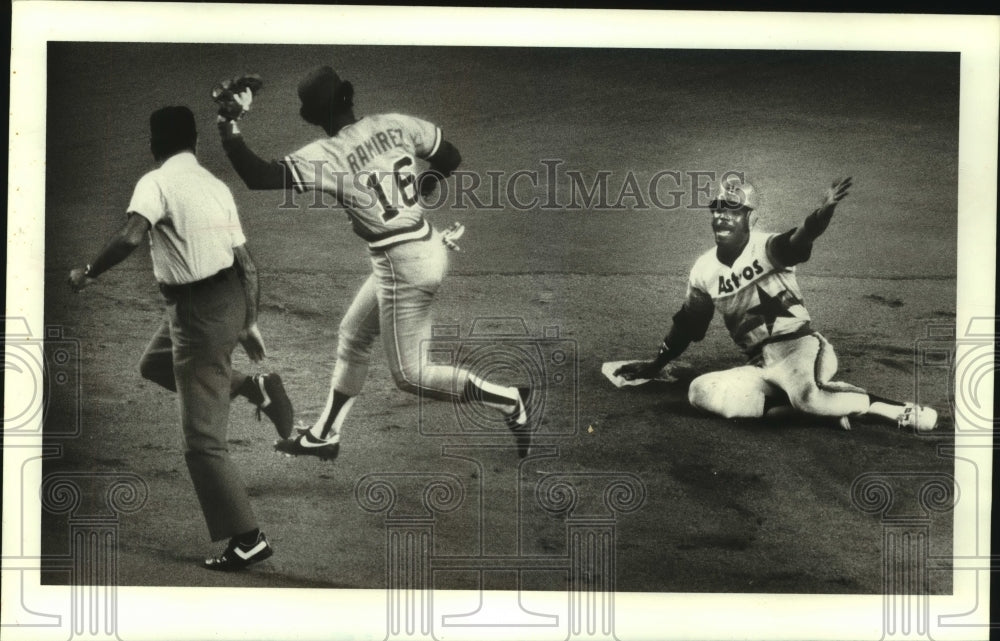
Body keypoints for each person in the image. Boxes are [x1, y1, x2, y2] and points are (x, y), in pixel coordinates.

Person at [215, 65, 532, 461]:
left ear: (313, 116)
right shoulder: (395, 124)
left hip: (405, 268)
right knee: (353, 334)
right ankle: (325, 434)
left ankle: (508, 398)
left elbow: (258, 176)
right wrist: (421, 190)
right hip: (421, 245)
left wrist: (228, 123)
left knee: (411, 375)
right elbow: (450, 156)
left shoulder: (326, 155)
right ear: (348, 98)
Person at [68, 106, 292, 571]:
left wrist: (89, 272)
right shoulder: (215, 185)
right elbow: (248, 265)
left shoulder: (156, 181)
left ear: (154, 145)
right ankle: (253, 387)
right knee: (153, 364)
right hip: (226, 300)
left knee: (202, 441)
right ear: (194, 142)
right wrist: (248, 322)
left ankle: (247, 538)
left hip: (197, 316)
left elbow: (132, 236)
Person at [615, 174, 938, 432]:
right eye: (716, 208)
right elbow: (688, 324)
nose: (721, 216)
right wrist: (656, 365)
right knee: (701, 392)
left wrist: (824, 211)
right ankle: (809, 411)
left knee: (809, 398)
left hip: (801, 349)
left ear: (750, 218)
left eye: (732, 209)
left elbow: (803, 237)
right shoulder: (703, 270)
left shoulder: (767, 248)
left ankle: (892, 408)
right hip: (761, 364)